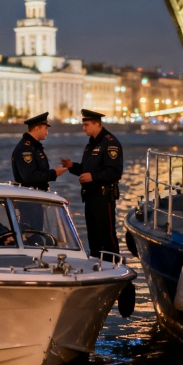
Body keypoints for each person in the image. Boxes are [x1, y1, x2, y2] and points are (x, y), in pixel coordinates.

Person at [61, 109, 123, 258]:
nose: (84, 128)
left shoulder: (110, 143)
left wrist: (93, 178)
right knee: (93, 236)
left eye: (86, 125)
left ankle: (114, 266)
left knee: (106, 234)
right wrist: (72, 166)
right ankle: (96, 264)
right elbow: (86, 169)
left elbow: (114, 172)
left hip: (103, 196)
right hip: (90, 196)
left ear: (97, 124)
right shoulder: (91, 144)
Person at [12, 111, 66, 191]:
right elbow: (29, 177)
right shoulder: (26, 149)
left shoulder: (34, 146)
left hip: (36, 194)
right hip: (30, 197)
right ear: (37, 128)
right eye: (46, 128)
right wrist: (54, 173)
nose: (47, 132)